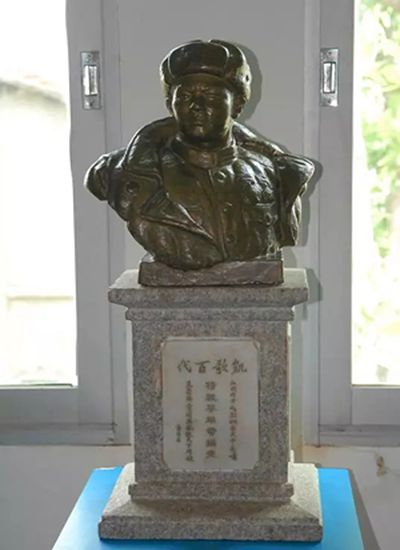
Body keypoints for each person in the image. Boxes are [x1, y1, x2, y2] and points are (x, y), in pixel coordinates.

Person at [85, 39, 314, 270]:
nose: (197, 105)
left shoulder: (274, 173)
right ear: (170, 105)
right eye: (185, 96)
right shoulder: (122, 171)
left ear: (237, 105)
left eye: (211, 95)